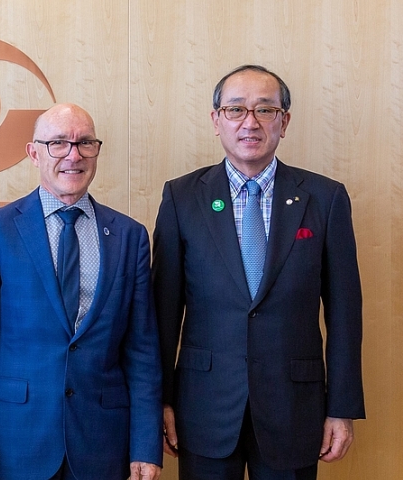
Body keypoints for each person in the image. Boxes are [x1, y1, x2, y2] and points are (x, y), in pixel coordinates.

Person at [151, 64, 365, 479]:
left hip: (294, 409)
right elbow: (163, 310)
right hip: (203, 409)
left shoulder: (325, 198)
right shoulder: (181, 197)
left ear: (284, 122)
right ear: (216, 121)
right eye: (236, 110)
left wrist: (342, 408)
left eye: (265, 110)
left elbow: (345, 313)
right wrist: (158, 403)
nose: (250, 122)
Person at [0, 103, 163, 480]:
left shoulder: (129, 237)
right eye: (58, 143)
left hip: (104, 441)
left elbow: (142, 351)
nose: (73, 155)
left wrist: (146, 447)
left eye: (85, 143)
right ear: (34, 152)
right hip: (17, 440)